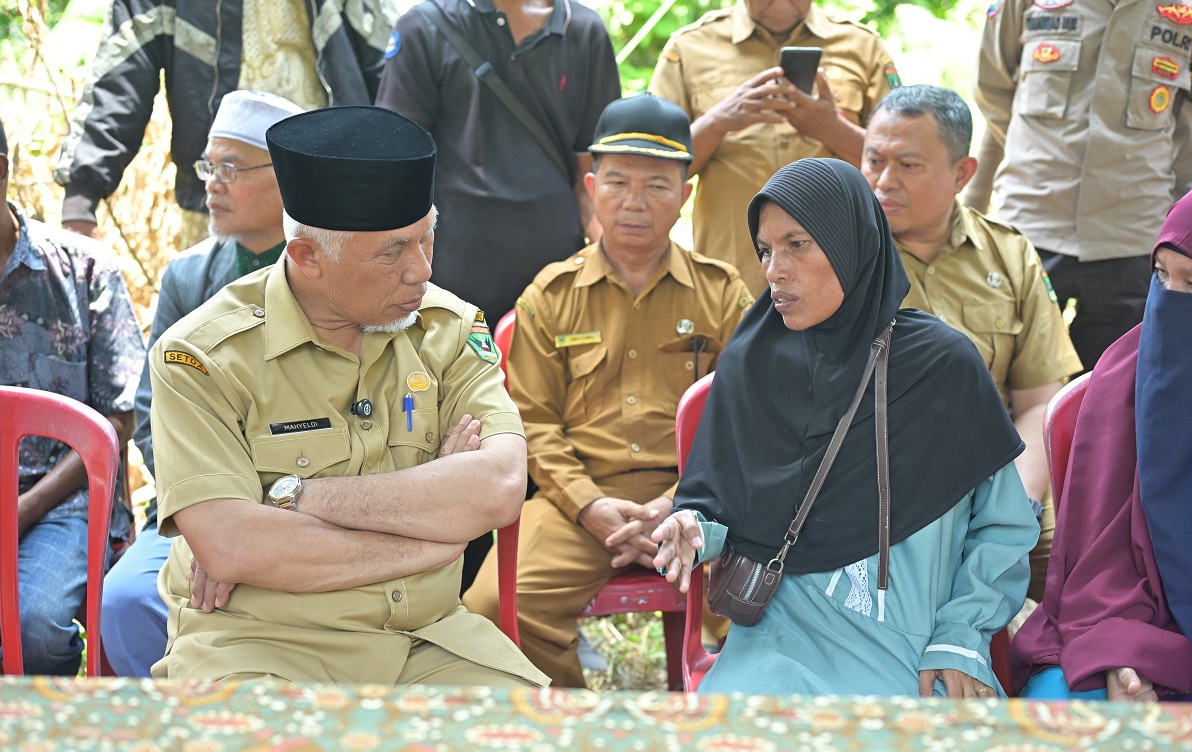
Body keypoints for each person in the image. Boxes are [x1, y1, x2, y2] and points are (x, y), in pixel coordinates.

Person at [145, 105, 547, 687]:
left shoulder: (450, 331)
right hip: (260, 647)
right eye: (392, 252)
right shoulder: (202, 357)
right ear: (307, 256)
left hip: (428, 641)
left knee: (530, 738)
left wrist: (291, 496)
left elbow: (500, 486)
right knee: (253, 746)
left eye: (427, 239)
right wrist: (439, 537)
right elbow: (232, 545)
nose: (420, 270)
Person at [652, 158, 1039, 697]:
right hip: (777, 639)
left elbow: (1002, 528)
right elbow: (720, 502)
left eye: (797, 244)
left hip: (915, 646)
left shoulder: (942, 367)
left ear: (851, 243)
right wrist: (694, 528)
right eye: (765, 250)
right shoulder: (753, 363)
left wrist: (960, 635)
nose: (775, 270)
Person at [463, 94, 754, 688]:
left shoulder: (723, 293)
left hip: (704, 501)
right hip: (578, 503)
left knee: (766, 603)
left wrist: (681, 502)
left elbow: (747, 415)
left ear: (685, 194)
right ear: (592, 188)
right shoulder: (550, 295)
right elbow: (531, 422)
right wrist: (588, 506)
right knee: (492, 607)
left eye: (657, 186)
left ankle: (722, 726)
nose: (634, 202)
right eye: (618, 183)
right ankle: (571, 725)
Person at [374, 0, 622, 590]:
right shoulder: (426, 28)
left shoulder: (583, 31)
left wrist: (604, 268)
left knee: (545, 433)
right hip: (444, 289)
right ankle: (444, 596)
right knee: (448, 441)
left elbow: (593, 170)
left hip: (553, 289)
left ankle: (529, 594)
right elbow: (393, 166)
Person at [99, 91, 304, 678]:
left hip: (304, 507)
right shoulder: (188, 277)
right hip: (196, 505)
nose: (212, 183)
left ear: (287, 179)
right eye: (208, 167)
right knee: (126, 600)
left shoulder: (331, 272)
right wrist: (213, 520)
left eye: (231, 168)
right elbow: (150, 414)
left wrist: (259, 520)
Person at [860, 84, 1081, 602]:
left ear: (962, 173)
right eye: (873, 160)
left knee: (1078, 582)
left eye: (908, 165)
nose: (884, 181)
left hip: (1002, 480)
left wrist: (1014, 503)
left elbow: (1039, 400)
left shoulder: (1009, 255)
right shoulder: (836, 261)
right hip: (880, 496)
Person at [1010, 185, 1192, 701]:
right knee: (1061, 705)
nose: (1171, 299)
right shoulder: (1124, 379)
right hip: (1126, 628)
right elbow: (1097, 562)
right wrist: (1122, 651)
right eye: (1161, 275)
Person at [969, 0, 1192, 371]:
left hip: (1131, 236)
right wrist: (1036, 155)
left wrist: (1184, 242)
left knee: (1108, 384)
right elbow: (993, 89)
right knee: (1001, 375)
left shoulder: (1188, 12)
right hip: (1031, 225)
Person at [56, 0, 392, 246]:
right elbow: (122, 74)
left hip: (327, 196)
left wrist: (394, 185)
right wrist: (80, 201)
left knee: (328, 315)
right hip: (218, 195)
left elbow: (386, 66)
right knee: (213, 313)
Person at [0, 118, 145, 675]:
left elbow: (119, 415)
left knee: (33, 629)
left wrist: (25, 508)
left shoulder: (85, 269)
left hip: (65, 498)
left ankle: (46, 726)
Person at [648, 0, 900, 293]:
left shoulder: (863, 46)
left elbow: (903, 167)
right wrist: (717, 122)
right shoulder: (689, 47)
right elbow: (651, 172)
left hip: (841, 283)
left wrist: (834, 130)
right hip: (731, 285)